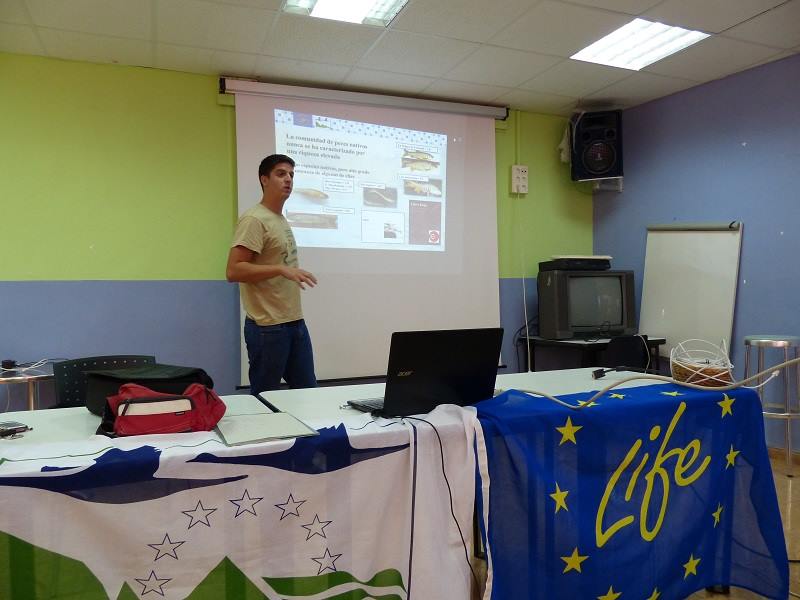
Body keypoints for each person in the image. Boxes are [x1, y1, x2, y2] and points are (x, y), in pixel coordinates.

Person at [226, 154, 318, 395]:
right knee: (265, 400)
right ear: (264, 179)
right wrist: (280, 269)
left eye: (291, 175)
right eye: (280, 174)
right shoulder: (254, 219)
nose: (288, 179)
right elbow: (234, 270)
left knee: (309, 394)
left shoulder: (279, 218)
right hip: (268, 327)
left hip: (294, 322)